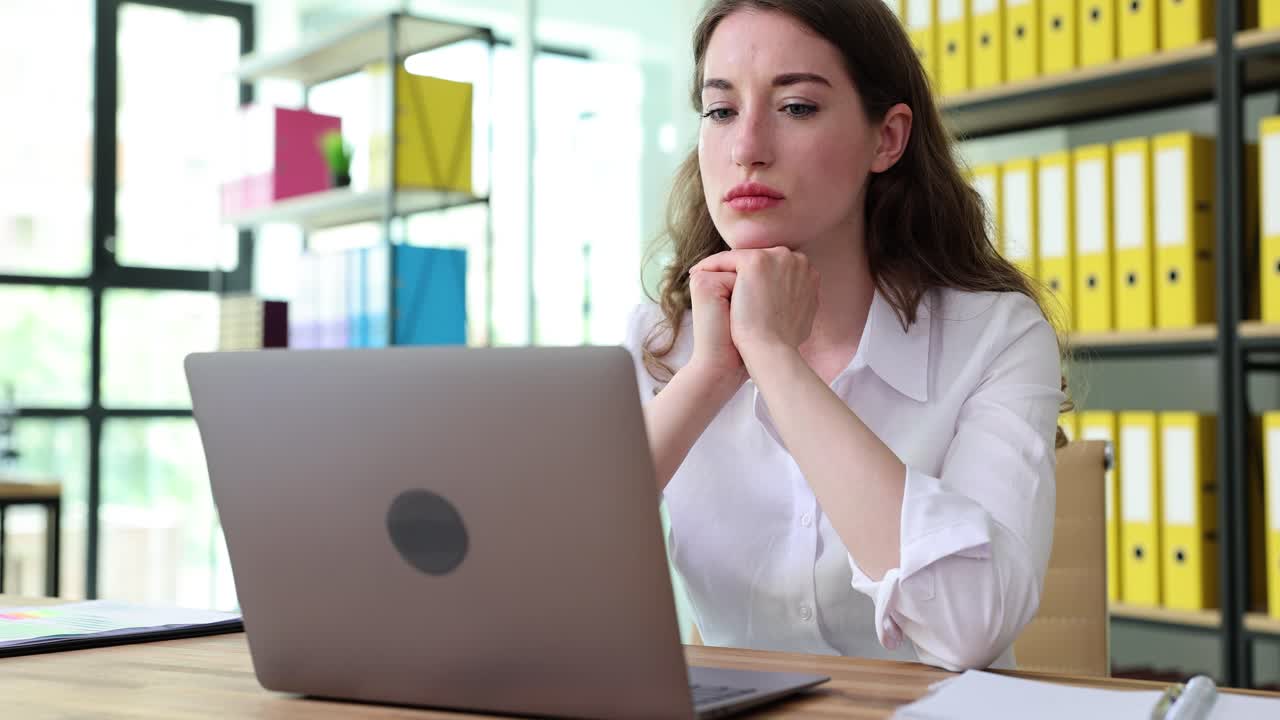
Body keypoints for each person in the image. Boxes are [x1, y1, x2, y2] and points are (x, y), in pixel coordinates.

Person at [622, 0, 1070, 672]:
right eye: (720, 110)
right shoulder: (663, 341)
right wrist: (708, 377)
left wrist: (776, 361)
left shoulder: (997, 335)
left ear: (886, 139)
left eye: (796, 106)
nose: (746, 148)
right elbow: (538, 578)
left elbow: (969, 625)